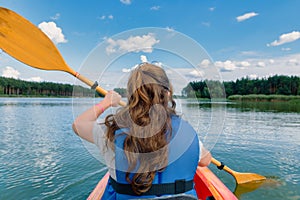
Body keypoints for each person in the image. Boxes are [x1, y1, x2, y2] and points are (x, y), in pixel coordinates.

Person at [72, 63, 212, 199]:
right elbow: (205, 160)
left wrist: (106, 102)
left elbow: (78, 124)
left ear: (131, 95)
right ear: (168, 93)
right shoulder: (185, 130)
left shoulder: (110, 130)